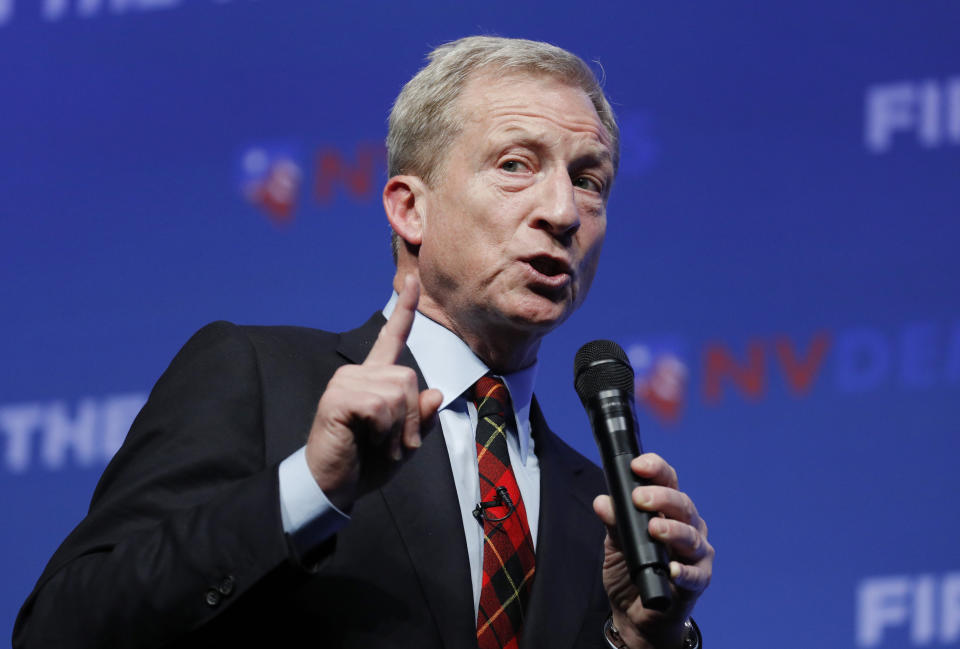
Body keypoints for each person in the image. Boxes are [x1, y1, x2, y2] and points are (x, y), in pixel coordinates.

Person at [13, 36, 713, 649]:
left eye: (588, 179)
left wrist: (640, 638)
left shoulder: (600, 509)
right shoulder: (260, 379)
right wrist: (308, 487)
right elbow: (62, 627)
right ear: (410, 207)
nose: (562, 211)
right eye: (515, 164)